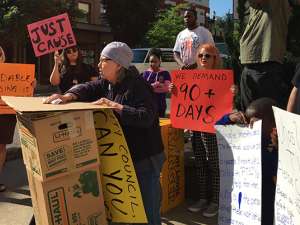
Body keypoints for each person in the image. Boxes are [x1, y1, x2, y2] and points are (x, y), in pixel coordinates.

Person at [43, 42, 165, 225]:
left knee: (147, 217)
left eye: (102, 61)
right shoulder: (108, 84)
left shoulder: (138, 85)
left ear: (118, 64)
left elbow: (146, 117)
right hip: (125, 159)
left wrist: (117, 107)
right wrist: (67, 96)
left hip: (144, 160)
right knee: (129, 214)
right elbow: (88, 88)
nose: (98, 65)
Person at [169, 44, 239, 217]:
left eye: (208, 55)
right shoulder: (190, 77)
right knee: (200, 162)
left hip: (212, 127)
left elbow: (226, 100)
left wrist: (234, 92)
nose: (203, 58)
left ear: (215, 58)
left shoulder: (222, 78)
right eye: (200, 55)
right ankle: (202, 198)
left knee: (214, 164)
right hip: (194, 125)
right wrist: (174, 89)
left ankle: (215, 201)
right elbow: (185, 97)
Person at [215, 97, 280, 225]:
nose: (249, 126)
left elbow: (268, 167)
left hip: (265, 213)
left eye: (255, 123)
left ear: (274, 124)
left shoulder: (276, 146)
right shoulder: (247, 141)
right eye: (248, 121)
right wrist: (229, 118)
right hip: (243, 209)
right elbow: (220, 131)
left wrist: (258, 137)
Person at [239, 0, 290, 111]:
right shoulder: (255, 9)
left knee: (268, 116)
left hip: (266, 66)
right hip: (249, 67)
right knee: (249, 116)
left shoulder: (277, 4)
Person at [0, 46, 37, 192]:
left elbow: (22, 88)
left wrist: (30, 85)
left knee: (1, 147)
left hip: (7, 115)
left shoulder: (14, 71)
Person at [142, 48, 171, 118]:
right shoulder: (146, 73)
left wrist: (150, 88)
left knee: (160, 124)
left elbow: (167, 88)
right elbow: (143, 88)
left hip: (161, 105)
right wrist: (157, 84)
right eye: (151, 62)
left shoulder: (165, 73)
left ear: (159, 62)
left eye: (155, 62)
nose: (153, 64)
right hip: (148, 104)